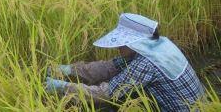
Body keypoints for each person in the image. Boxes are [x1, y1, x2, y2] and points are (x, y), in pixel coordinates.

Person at [45, 13, 205, 111]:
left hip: (181, 109)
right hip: (198, 105)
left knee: (112, 101)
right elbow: (109, 67)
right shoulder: (158, 44)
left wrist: (62, 86)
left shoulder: (146, 63)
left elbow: (105, 94)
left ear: (136, 41)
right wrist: (70, 70)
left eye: (123, 42)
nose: (119, 47)